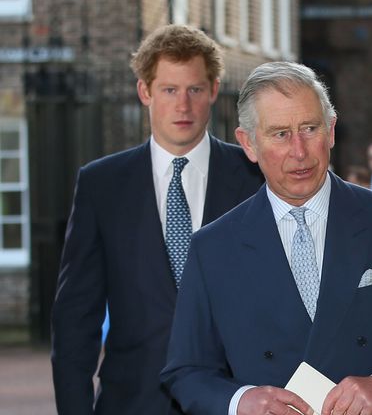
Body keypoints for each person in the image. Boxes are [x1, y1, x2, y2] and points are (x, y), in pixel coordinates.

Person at [160, 61, 372, 415]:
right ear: (248, 144)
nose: (299, 151)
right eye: (280, 134)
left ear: (332, 130)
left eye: (310, 128)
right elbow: (186, 371)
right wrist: (240, 401)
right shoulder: (212, 247)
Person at [51, 24, 264, 415]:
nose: (182, 106)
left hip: (234, 401)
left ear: (214, 91)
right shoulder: (102, 185)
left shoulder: (255, 178)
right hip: (131, 401)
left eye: (194, 90)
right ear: (145, 92)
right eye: (169, 90)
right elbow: (75, 321)